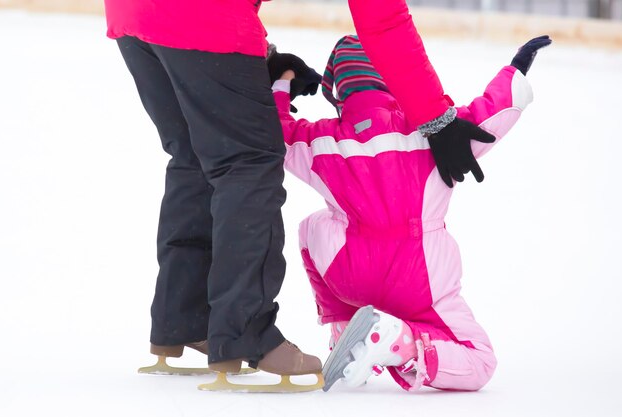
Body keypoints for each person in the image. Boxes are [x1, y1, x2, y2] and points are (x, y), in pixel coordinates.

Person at [270, 32, 551, 392]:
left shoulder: (323, 142)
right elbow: (491, 114)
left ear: (337, 93)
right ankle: (403, 344)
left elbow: (278, 135)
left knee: (311, 228)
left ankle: (344, 324)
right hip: (420, 279)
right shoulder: (434, 131)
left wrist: (280, 84)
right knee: (480, 359)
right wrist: (514, 72)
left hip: (351, 274)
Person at [103, 0, 323, 391]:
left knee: (193, 154)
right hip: (202, 18)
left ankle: (186, 320)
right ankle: (245, 334)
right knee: (249, 163)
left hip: (133, 16)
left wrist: (262, 57)